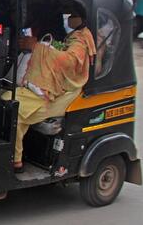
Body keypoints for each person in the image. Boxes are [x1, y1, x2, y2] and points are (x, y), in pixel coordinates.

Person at [11, 10, 96, 173]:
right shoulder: (72, 36)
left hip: (66, 94)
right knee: (7, 96)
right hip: (55, 88)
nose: (70, 18)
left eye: (73, 15)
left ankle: (16, 161)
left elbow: (69, 62)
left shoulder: (80, 40)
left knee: (16, 108)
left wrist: (36, 47)